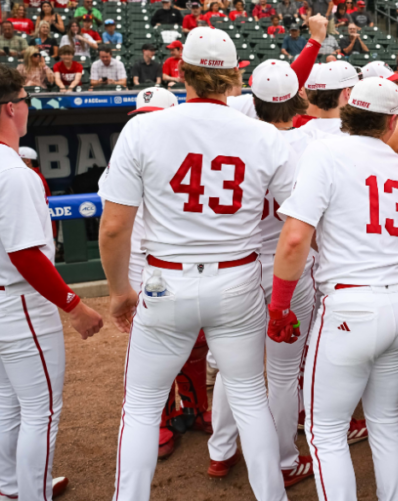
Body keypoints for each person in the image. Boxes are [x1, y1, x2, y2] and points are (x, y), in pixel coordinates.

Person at [98, 26, 297, 501]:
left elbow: (112, 227)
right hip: (238, 280)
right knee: (250, 398)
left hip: (166, 278)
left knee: (142, 407)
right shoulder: (266, 136)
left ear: (180, 71)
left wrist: (120, 291)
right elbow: (298, 225)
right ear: (235, 78)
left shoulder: (144, 126)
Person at [267, 73, 398, 501]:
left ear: (348, 112)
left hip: (351, 306)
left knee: (325, 432)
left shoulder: (325, 150)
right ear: (393, 122)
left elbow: (296, 237)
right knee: (387, 420)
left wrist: (280, 304)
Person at [0, 64, 103, 501]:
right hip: (15, 304)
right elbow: (25, 256)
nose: (28, 107)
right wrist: (74, 304)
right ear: (9, 109)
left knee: (10, 400)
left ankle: (14, 490)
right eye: (25, 100)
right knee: (41, 412)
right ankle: (30, 495)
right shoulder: (13, 173)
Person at [205, 59, 323, 490]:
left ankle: (220, 451)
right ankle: (284, 460)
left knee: (236, 366)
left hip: (239, 264)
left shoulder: (235, 137)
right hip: (288, 270)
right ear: (298, 102)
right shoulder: (310, 145)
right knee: (282, 373)